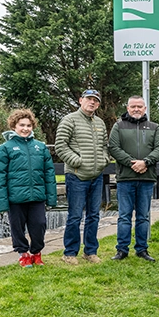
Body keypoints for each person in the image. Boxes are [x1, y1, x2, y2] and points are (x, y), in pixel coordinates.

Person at [0, 109, 57, 267]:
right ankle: (23, 254)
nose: (25, 128)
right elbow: (0, 176)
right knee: (17, 228)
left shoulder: (40, 148)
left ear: (32, 127)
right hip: (15, 197)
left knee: (39, 225)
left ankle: (36, 252)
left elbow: (49, 174)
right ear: (14, 126)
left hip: (37, 196)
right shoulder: (6, 148)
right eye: (21, 125)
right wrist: (2, 202)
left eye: (28, 125)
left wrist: (51, 198)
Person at [55, 89, 108, 265]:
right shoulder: (69, 120)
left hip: (96, 176)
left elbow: (105, 146)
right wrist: (77, 161)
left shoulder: (100, 123)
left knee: (94, 215)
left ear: (98, 104)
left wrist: (104, 160)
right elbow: (60, 146)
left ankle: (90, 252)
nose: (92, 102)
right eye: (89, 99)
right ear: (80, 100)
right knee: (75, 216)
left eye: (95, 100)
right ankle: (69, 253)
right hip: (77, 176)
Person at [108, 96, 159, 262]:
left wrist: (145, 162)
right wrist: (131, 163)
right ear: (127, 108)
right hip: (126, 178)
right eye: (133, 106)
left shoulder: (154, 127)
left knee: (143, 216)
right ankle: (121, 250)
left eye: (139, 106)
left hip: (146, 178)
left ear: (145, 108)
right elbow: (114, 148)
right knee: (124, 216)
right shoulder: (118, 126)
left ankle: (142, 249)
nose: (136, 109)